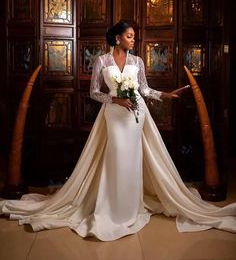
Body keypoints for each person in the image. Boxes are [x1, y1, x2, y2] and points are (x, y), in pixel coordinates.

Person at [0, 21, 236, 241]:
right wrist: (115, 100)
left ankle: (131, 207)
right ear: (117, 37)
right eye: (130, 36)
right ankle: (112, 207)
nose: (134, 40)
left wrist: (164, 95)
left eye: (134, 36)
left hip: (136, 115)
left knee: (132, 160)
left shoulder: (137, 62)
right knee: (116, 159)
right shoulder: (102, 61)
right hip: (114, 115)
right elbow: (94, 92)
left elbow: (143, 88)